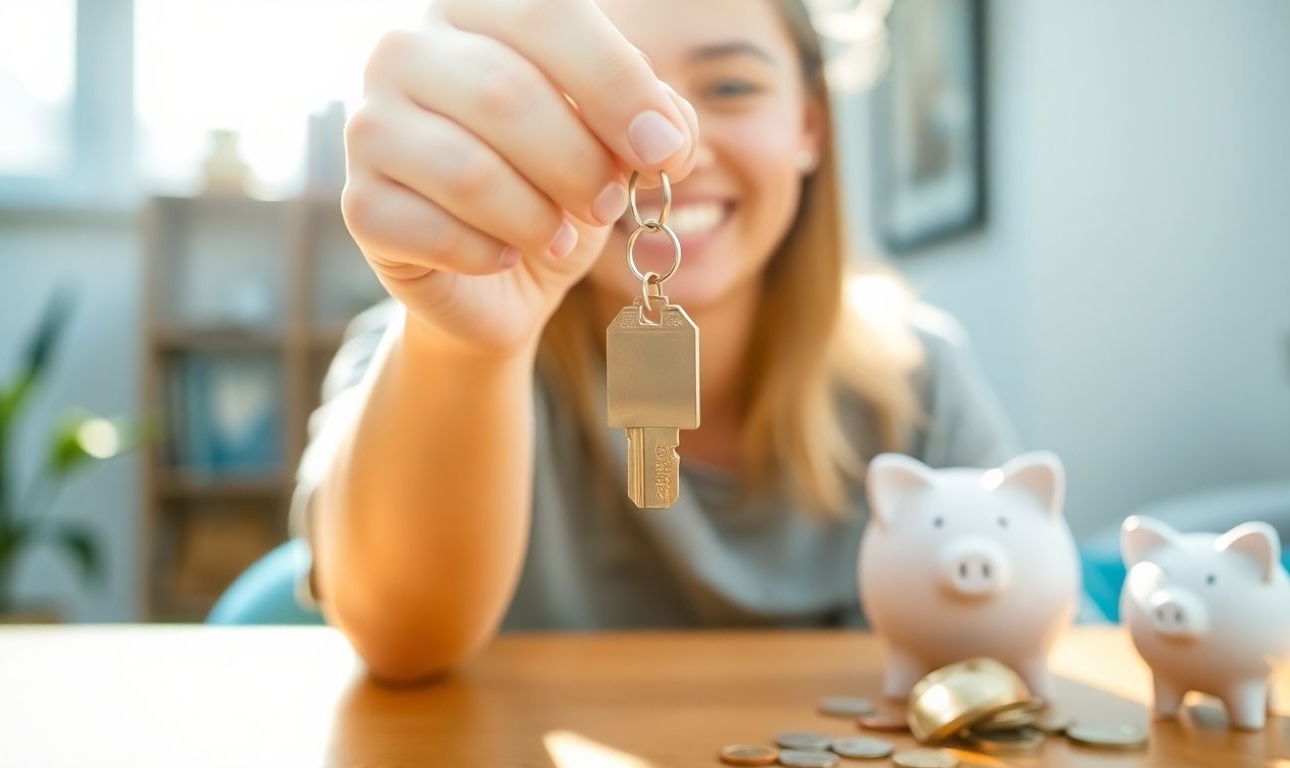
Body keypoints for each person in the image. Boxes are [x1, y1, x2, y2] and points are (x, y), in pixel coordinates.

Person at [292, 0, 1018, 684]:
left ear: (810, 125)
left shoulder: (920, 379)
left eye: (731, 86)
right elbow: (396, 640)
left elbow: (1024, 625)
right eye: (587, 106)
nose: (673, 154)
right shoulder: (430, 332)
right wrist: (463, 348)